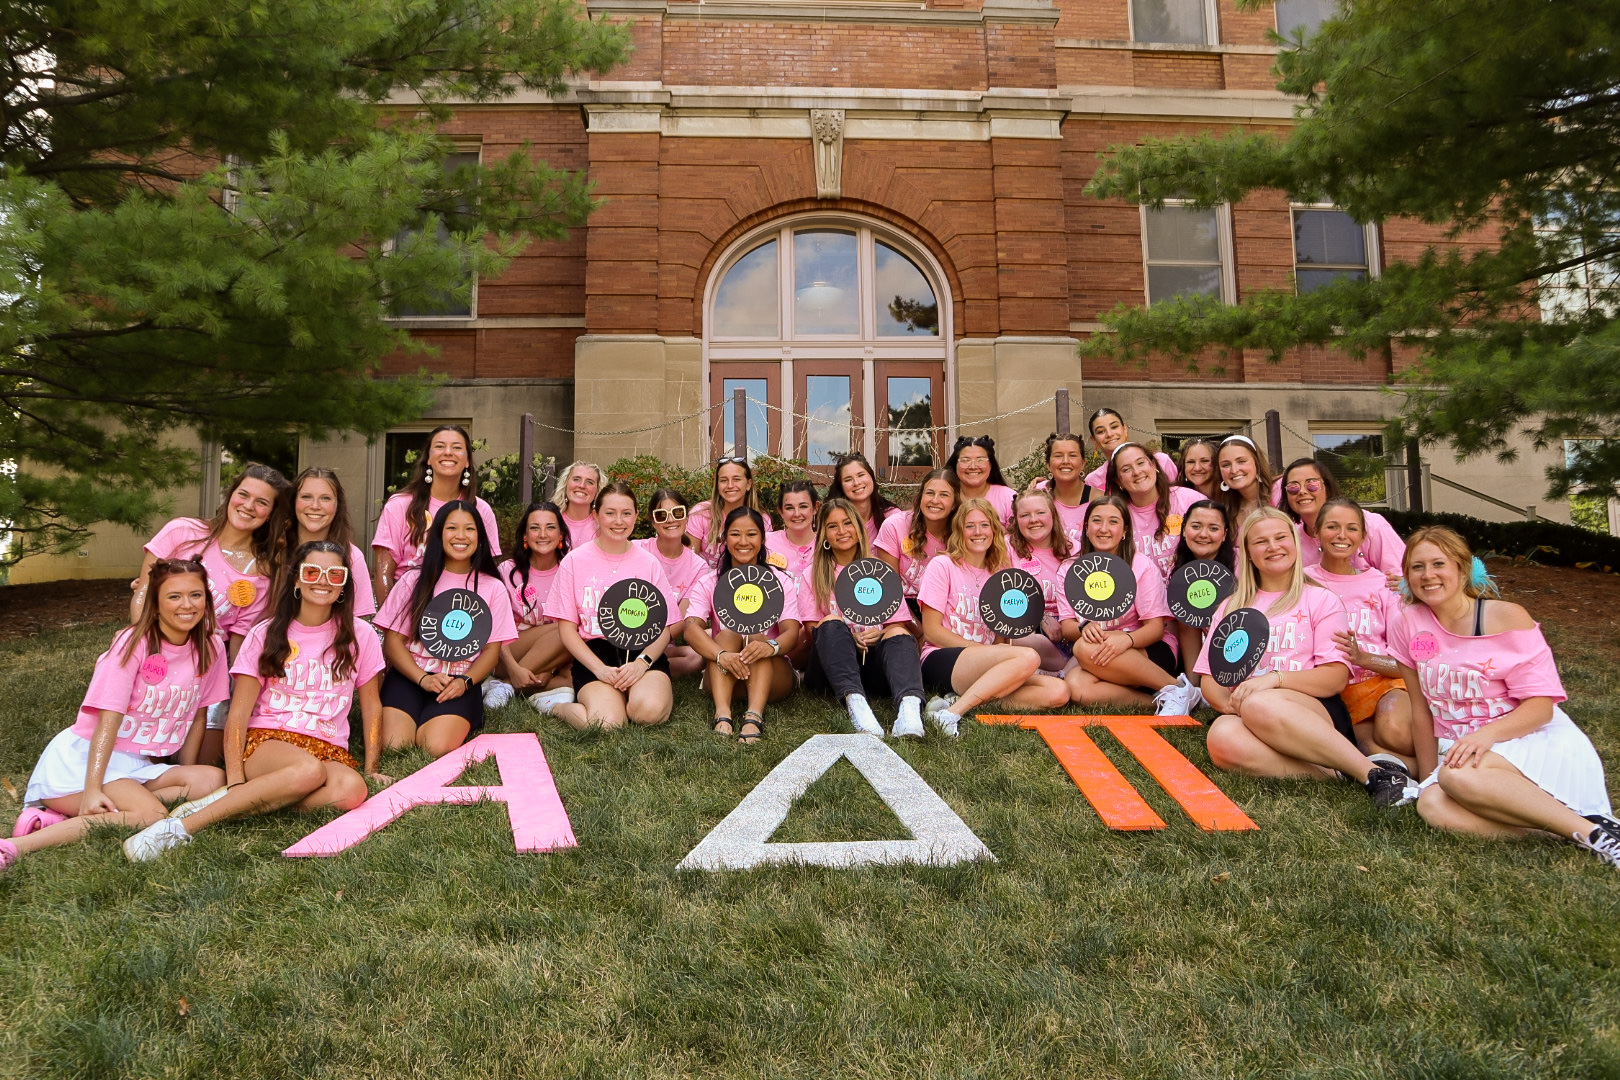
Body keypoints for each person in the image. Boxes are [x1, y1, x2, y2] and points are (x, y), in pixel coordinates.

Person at [121, 541, 389, 860]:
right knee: (308, 772)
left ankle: (244, 801)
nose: (323, 581)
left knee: (352, 790)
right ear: (297, 581)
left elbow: (372, 706)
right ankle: (181, 828)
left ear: (344, 583)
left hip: (328, 748)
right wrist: (235, 779)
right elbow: (238, 714)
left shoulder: (361, 634)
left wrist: (371, 767)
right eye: (313, 572)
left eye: (335, 574)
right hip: (269, 740)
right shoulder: (266, 633)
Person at [1388, 527, 1619, 866]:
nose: (1428, 575)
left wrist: (1486, 736)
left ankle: (1595, 836)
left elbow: (1541, 708)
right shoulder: (1407, 622)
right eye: (1417, 567)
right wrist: (1425, 779)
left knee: (1457, 775)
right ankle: (1577, 831)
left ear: (1462, 569)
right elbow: (1422, 711)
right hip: (1469, 749)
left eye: (1438, 563)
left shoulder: (1505, 616)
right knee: (1432, 804)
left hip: (1529, 737)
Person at [4, 560, 228, 867]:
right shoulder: (134, 642)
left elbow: (198, 716)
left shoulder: (211, 646)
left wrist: (185, 772)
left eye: (196, 595)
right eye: (174, 596)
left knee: (212, 780)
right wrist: (92, 789)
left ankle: (62, 817)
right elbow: (107, 722)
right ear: (156, 603)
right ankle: (15, 846)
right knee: (151, 814)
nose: (186, 605)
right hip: (89, 761)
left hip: (135, 766)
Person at [1193, 508, 1413, 806]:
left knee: (1260, 701)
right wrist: (1230, 707)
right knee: (1221, 737)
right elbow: (1212, 678)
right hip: (1249, 710)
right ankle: (1336, 773)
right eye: (1261, 541)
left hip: (1315, 708)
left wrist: (1275, 680)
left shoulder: (1320, 599)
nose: (1273, 547)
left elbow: (1334, 678)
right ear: (1248, 552)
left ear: (1295, 545)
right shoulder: (1232, 607)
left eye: (1281, 537)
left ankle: (1374, 774)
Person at [134, 462, 290, 765]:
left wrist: (232, 698)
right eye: (243, 495)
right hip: (155, 656)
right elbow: (143, 593)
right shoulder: (183, 531)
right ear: (230, 494)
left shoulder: (262, 573)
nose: (248, 506)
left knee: (204, 768)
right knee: (138, 755)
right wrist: (142, 646)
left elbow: (239, 643)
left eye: (262, 502)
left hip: (206, 668)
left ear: (271, 513)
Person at [373, 501, 517, 757]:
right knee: (395, 746)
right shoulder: (413, 580)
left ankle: (467, 711)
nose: (461, 536)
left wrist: (465, 683)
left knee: (435, 747)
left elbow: (492, 653)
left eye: (469, 529)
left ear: (480, 536)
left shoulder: (493, 588)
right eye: (452, 528)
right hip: (411, 675)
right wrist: (423, 678)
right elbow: (393, 643)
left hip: (459, 681)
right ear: (439, 534)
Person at [916, 498, 1070, 734]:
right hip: (942, 657)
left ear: (994, 530)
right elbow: (932, 631)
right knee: (1028, 657)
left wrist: (995, 650)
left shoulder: (1001, 573)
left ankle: (957, 700)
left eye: (985, 525)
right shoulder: (943, 565)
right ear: (959, 531)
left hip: (989, 661)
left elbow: (1000, 636)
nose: (978, 532)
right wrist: (983, 650)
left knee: (1059, 692)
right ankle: (950, 715)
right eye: (970, 526)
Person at [544, 483, 680, 731]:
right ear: (596, 515)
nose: (619, 521)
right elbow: (567, 630)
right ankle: (557, 705)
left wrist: (642, 663)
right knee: (607, 724)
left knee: (647, 712)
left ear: (637, 516)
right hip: (596, 654)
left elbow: (665, 626)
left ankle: (634, 696)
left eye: (626, 513)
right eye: (610, 513)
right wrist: (600, 669)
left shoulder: (648, 563)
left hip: (643, 651)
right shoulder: (574, 562)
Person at [799, 499, 928, 738]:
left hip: (874, 663)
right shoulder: (813, 574)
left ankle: (909, 711)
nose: (842, 531)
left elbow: (896, 622)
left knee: (899, 632)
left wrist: (879, 634)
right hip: (831, 670)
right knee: (830, 622)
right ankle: (856, 705)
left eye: (848, 523)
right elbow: (811, 630)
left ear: (859, 529)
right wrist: (849, 637)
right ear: (824, 535)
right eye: (833, 526)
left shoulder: (879, 571)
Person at [1305, 498, 1416, 772]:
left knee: (1393, 730)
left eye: (1352, 528)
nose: (1342, 535)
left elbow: (1405, 660)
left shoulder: (1381, 584)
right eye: (1332, 526)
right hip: (1338, 690)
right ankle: (1425, 773)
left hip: (1384, 682)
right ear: (1317, 533)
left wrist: (1361, 657)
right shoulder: (1303, 581)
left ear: (1363, 537)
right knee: (1369, 750)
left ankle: (1442, 752)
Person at [1058, 496, 1197, 713]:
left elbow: (1155, 629)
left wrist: (1126, 640)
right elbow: (1067, 627)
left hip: (1147, 649)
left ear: (1124, 531)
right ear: (1085, 528)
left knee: (1083, 648)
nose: (1104, 529)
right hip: (1099, 656)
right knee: (1076, 686)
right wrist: (1085, 627)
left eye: (1113, 521)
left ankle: (1174, 686)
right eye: (1097, 521)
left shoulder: (1140, 565)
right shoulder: (1069, 570)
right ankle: (1167, 699)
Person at [684, 507, 802, 744]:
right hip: (724, 675)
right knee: (729, 635)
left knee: (756, 638)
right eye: (736, 534)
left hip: (772, 678)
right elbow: (690, 629)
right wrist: (721, 656)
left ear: (762, 538)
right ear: (725, 539)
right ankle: (723, 714)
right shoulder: (711, 582)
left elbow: (792, 632)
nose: (743, 542)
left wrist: (770, 647)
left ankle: (753, 717)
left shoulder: (779, 581)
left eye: (751, 534)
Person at [371, 425, 502, 605]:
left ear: (467, 461)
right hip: (407, 609)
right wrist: (392, 623)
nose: (448, 452)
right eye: (440, 446)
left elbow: (486, 573)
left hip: (462, 612)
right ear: (428, 459)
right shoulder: (399, 505)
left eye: (457, 447)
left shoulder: (481, 510)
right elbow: (383, 572)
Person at [491, 501, 575, 715]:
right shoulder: (508, 570)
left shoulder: (572, 569)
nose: (543, 534)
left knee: (569, 634)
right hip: (509, 653)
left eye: (550, 527)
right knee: (563, 630)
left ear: (561, 535)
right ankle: (513, 681)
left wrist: (552, 666)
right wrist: (513, 668)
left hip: (559, 655)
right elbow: (495, 628)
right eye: (535, 528)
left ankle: (508, 687)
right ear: (525, 536)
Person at [271, 466, 376, 618]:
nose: (315, 506)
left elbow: (357, 623)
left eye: (325, 498)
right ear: (293, 501)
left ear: (337, 504)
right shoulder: (273, 549)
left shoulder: (352, 557)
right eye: (306, 497)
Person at [1279, 458, 1405, 580]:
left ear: (1327, 488)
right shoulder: (1291, 537)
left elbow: (1402, 579)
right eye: (1293, 487)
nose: (1302, 491)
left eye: (1312, 484)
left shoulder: (1371, 524)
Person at [634, 488, 709, 678]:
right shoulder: (636, 550)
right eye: (661, 515)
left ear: (686, 517)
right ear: (652, 521)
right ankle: (641, 665)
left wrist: (650, 650)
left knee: (696, 657)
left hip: (663, 641)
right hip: (628, 635)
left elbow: (680, 621)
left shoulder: (698, 566)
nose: (670, 520)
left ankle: (640, 666)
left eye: (677, 513)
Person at [1105, 441, 1204, 580]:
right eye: (1126, 469)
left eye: (1141, 463)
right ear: (1119, 481)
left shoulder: (1189, 500)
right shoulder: (1115, 516)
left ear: (1154, 465)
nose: (1137, 472)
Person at [1004, 485, 1074, 676]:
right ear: (1016, 520)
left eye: (1040, 512)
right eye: (1025, 515)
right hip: (1030, 628)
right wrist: (1040, 617)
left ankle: (1058, 674)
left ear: (1052, 515)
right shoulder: (1007, 548)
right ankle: (1063, 672)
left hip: (1071, 628)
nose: (1033, 520)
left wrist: (1070, 625)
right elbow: (1001, 599)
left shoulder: (1075, 549)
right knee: (1012, 638)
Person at [873, 467, 957, 610]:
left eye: (944, 495)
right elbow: (889, 590)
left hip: (944, 610)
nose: (935, 500)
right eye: (930, 493)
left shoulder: (961, 533)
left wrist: (932, 628)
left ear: (954, 503)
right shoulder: (895, 526)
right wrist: (919, 632)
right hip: (900, 607)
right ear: (920, 497)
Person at [1168, 499, 1234, 677]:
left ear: (1224, 534)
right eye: (1196, 526)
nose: (1203, 534)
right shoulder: (1177, 569)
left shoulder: (1241, 566)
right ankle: (1194, 681)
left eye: (1213, 528)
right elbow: (1186, 625)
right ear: (1184, 530)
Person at [687, 457, 772, 567]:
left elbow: (763, 559)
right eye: (723, 480)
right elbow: (690, 560)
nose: (730, 485)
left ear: (748, 484)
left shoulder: (762, 519)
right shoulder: (700, 513)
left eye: (736, 479)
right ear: (717, 485)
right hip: (706, 580)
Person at [1082, 408, 1178, 493]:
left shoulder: (1161, 460)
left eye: (1114, 427)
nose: (1109, 434)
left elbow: (1178, 498)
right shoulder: (1093, 481)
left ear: (1125, 429)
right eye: (1100, 431)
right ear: (1093, 439)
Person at [825, 451, 901, 543]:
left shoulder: (892, 517)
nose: (856, 483)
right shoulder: (835, 521)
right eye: (848, 479)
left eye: (861, 475)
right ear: (841, 486)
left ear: (871, 477)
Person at [944, 435, 1016, 523]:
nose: (973, 466)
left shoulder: (1008, 497)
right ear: (955, 465)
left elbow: (1017, 535)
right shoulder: (943, 496)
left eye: (980, 460)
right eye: (965, 460)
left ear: (991, 465)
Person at [1039, 431, 1089, 548]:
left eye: (1072, 455)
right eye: (1058, 456)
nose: (1065, 461)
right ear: (1048, 464)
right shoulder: (1037, 494)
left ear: (1083, 463)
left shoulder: (1099, 499)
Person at [1216, 434, 1275, 524]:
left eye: (1241, 461)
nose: (1234, 470)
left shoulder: (1279, 492)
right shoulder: (1225, 510)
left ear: (1257, 463)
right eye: (1226, 465)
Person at [766, 480, 820, 576]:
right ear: (780, 511)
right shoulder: (766, 542)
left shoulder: (826, 545)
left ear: (815, 507)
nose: (797, 514)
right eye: (789, 508)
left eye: (803, 506)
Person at [553, 460, 604, 549]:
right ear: (566, 484)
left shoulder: (603, 525)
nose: (582, 486)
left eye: (590, 482)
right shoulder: (552, 520)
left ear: (597, 490)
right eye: (576, 479)